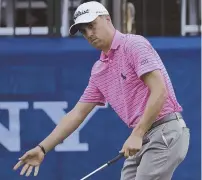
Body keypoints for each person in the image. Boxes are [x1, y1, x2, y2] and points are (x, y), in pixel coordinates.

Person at [13, 1, 190, 179]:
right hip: (142, 136)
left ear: (108, 19)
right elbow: (77, 114)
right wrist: (42, 148)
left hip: (165, 130)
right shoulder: (100, 69)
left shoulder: (134, 45)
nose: (89, 34)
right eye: (83, 31)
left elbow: (160, 91)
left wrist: (138, 133)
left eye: (92, 25)